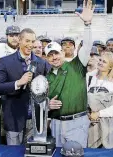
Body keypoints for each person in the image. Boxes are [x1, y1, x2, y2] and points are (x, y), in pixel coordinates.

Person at [45, 0, 94, 148]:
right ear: (46, 58)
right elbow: (39, 102)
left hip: (77, 123)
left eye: (56, 53)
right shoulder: (45, 77)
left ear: (62, 52)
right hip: (55, 124)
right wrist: (47, 104)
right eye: (50, 55)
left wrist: (87, 25)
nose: (54, 57)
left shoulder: (77, 65)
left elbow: (87, 45)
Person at [0, 28, 51, 145]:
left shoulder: (42, 63)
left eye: (32, 41)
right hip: (13, 118)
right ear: (20, 41)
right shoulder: (5, 61)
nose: (30, 45)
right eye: (27, 41)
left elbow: (49, 85)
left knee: (34, 152)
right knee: (14, 153)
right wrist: (18, 83)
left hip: (36, 120)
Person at [88, 52, 113, 148]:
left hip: (109, 124)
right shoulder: (90, 78)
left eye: (105, 62)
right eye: (100, 60)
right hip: (92, 124)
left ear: (110, 67)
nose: (101, 63)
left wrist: (99, 114)